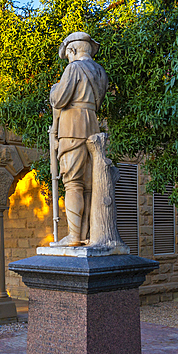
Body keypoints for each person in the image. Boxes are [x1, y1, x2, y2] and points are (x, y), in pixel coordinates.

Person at [49, 32, 108, 247]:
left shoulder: (73, 68)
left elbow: (59, 98)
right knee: (89, 184)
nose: (68, 58)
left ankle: (74, 236)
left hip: (72, 126)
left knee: (72, 182)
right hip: (93, 125)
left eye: (68, 54)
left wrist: (54, 90)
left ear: (72, 50)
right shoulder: (100, 72)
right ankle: (89, 234)